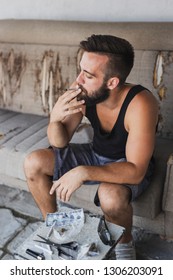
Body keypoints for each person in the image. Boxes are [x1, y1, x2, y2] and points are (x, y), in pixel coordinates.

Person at [24, 34, 158, 259]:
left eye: (87, 75)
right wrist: (55, 119)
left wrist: (83, 172)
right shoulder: (83, 91)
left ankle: (125, 248)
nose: (78, 80)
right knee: (34, 162)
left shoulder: (141, 103)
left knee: (111, 196)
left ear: (112, 82)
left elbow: (136, 171)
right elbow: (60, 141)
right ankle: (57, 230)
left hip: (127, 163)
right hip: (96, 153)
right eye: (80, 70)